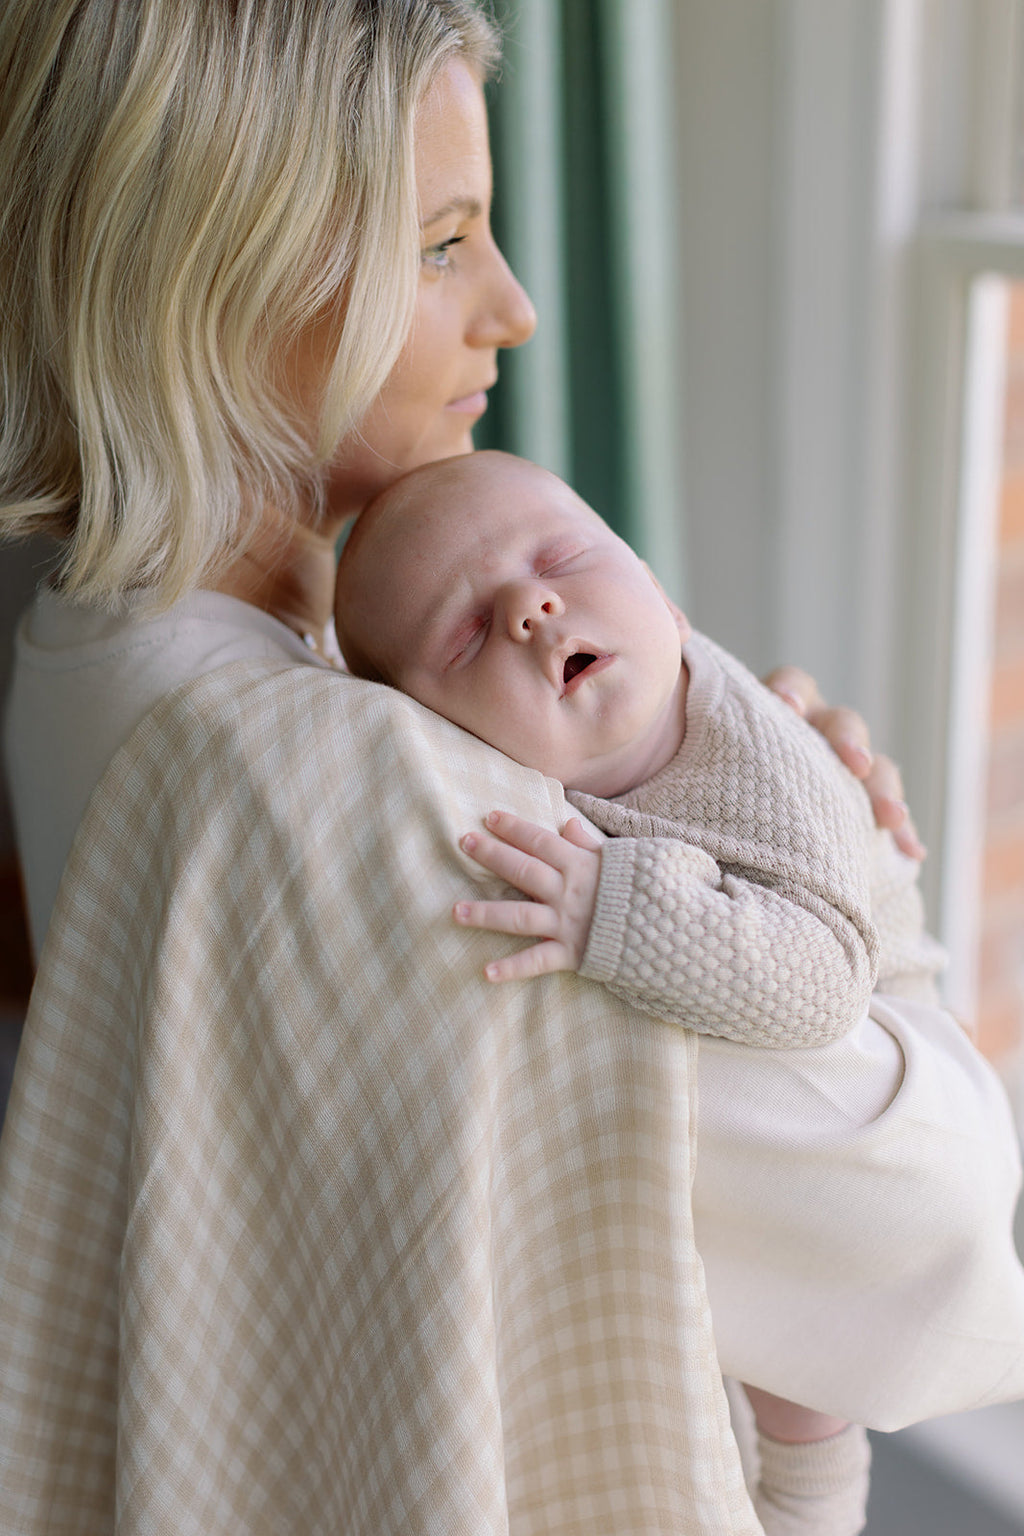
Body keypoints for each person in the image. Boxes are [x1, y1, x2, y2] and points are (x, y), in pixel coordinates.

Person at [0, 3, 1003, 1532]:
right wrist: (863, 896)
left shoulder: (92, 647)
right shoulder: (351, 788)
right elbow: (930, 1215)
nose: (518, 308)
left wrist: (726, 789)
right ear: (212, 264)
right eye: (445, 242)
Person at [334, 446, 1024, 1525]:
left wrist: (612, 907)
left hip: (888, 1022)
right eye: (465, 634)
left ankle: (813, 1500)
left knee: (801, 1393)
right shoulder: (558, 749)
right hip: (784, 1005)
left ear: (661, 593)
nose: (531, 606)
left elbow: (819, 990)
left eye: (561, 557)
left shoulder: (760, 764)